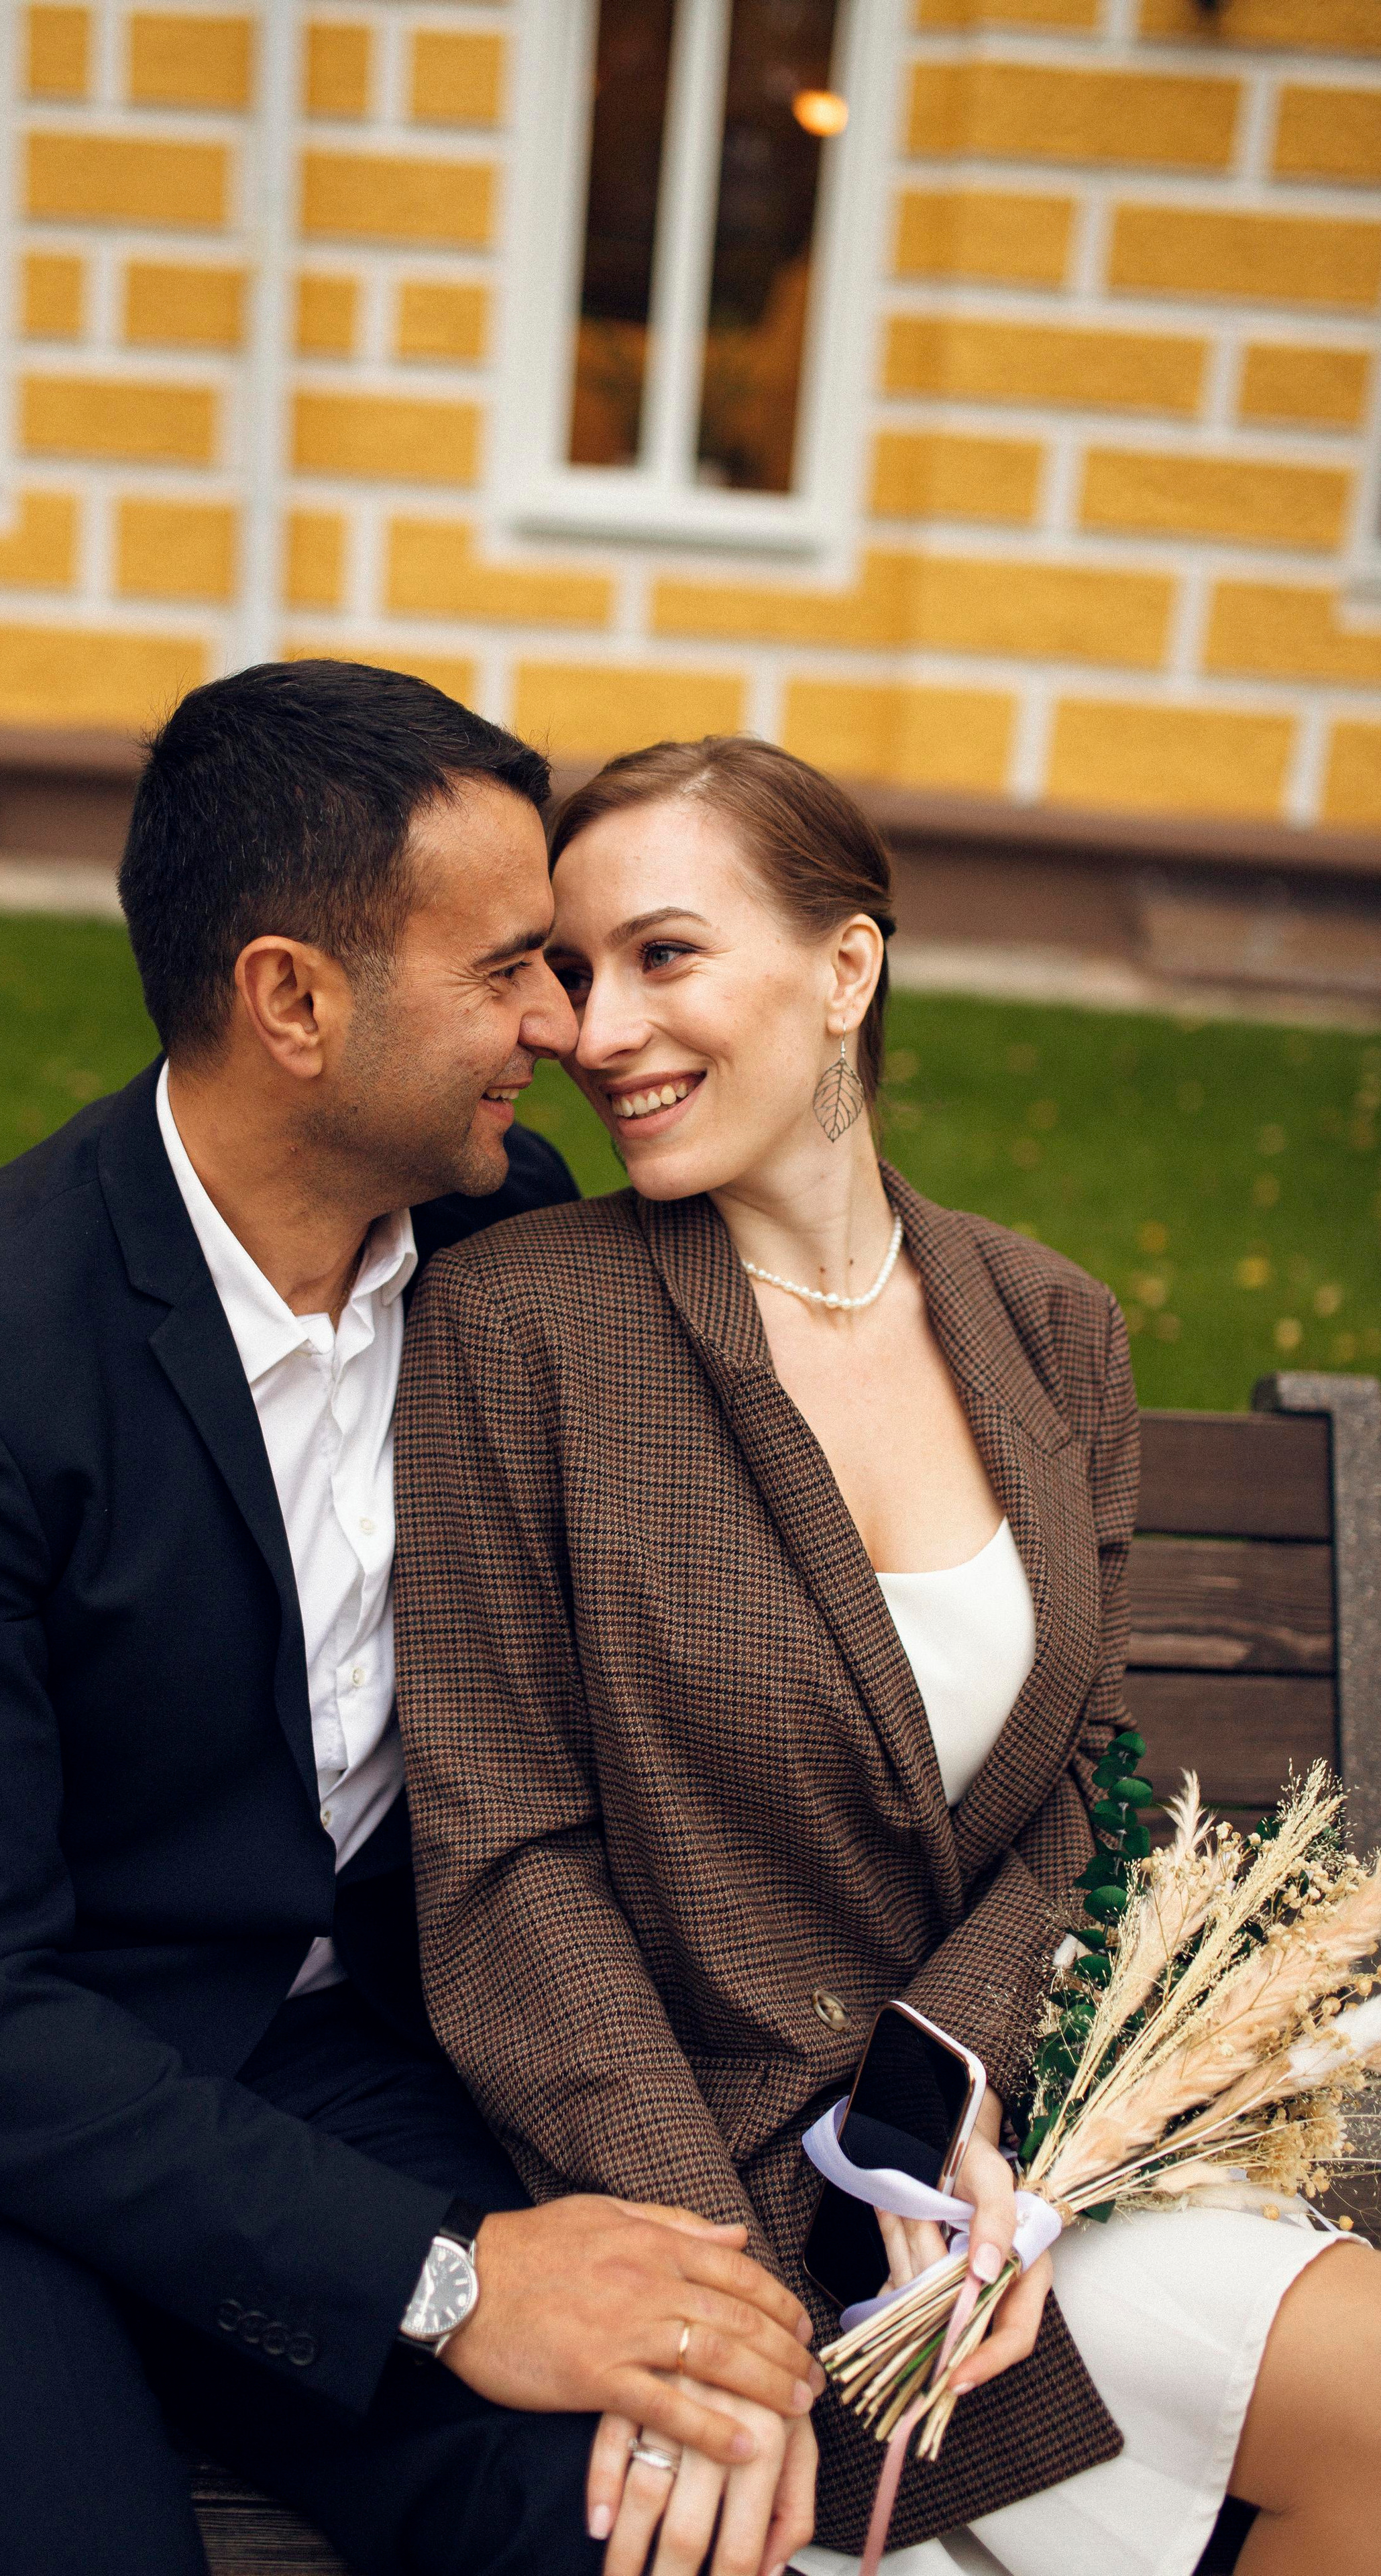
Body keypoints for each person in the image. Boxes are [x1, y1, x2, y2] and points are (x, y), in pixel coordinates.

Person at [0, 669, 819, 2576]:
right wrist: (451, 2282)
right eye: (507, 974)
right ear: (293, 1000)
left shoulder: (493, 1240)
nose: (560, 1028)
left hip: (327, 2068)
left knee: (652, 2511)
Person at [393, 735, 1381, 2576]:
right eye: (577, 972)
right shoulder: (515, 1325)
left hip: (1002, 2180)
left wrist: (965, 2121)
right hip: (691, 2187)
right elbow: (503, 1862)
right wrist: (728, 2301)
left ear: (846, 970)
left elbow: (1075, 1786)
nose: (600, 1031)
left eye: (666, 957)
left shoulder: (1050, 1327)